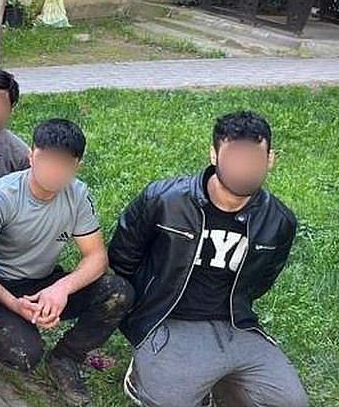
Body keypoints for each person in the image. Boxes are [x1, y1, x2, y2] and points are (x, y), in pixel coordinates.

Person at [110, 111, 307, 407]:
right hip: (167, 317)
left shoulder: (278, 221)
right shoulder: (164, 200)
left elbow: (262, 280)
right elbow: (123, 258)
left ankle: (221, 380)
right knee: (171, 401)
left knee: (292, 403)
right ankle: (142, 371)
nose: (244, 168)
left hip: (236, 323)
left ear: (270, 159)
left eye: (253, 159)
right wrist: (144, 311)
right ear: (214, 155)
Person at [0, 119, 133, 405]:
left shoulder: (78, 194)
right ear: (31, 156)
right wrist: (14, 304)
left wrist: (60, 289)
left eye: (63, 164)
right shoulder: (0, 197)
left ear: (77, 166)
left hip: (44, 281)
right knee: (24, 355)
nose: (53, 170)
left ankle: (66, 357)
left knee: (118, 291)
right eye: (46, 159)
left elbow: (97, 257)